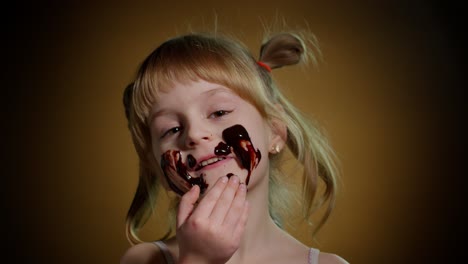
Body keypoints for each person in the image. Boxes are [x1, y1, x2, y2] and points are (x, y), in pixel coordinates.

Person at [120, 29, 348, 264]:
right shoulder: (145, 260)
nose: (195, 134)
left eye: (219, 112)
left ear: (275, 131)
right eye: (171, 129)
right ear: (159, 169)